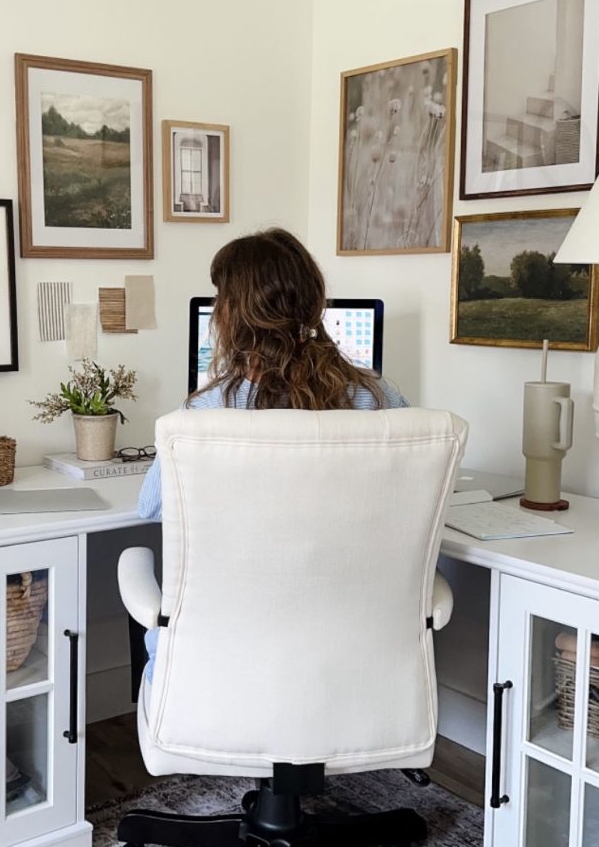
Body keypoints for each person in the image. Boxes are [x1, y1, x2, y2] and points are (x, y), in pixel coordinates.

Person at [132, 227, 409, 682]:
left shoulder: (204, 415)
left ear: (231, 316)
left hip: (220, 671)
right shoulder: (378, 400)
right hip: (351, 667)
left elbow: (151, 507)